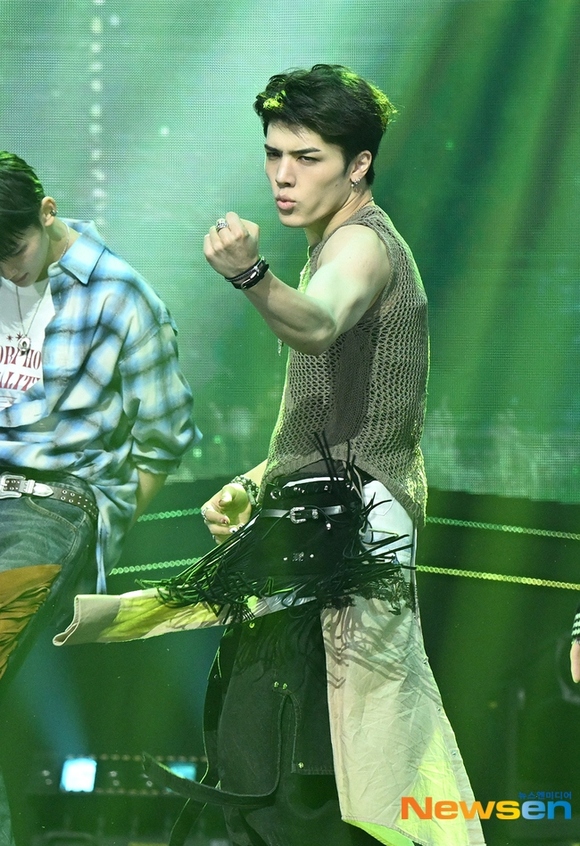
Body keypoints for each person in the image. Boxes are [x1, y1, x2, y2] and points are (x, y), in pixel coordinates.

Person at [52, 66, 485, 846]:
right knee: (281, 737)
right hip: (323, 517)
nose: (283, 175)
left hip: (353, 533)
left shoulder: (361, 245)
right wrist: (255, 482)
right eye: (273, 154)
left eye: (307, 157)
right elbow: (338, 413)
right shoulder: (333, 244)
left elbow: (317, 326)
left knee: (334, 753)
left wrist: (250, 275)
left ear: (358, 165)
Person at [0, 151, 197, 844]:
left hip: (55, 505)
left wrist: (105, 524)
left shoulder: (120, 297)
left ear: (47, 212)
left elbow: (164, 436)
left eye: (16, 253)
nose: (8, 272)